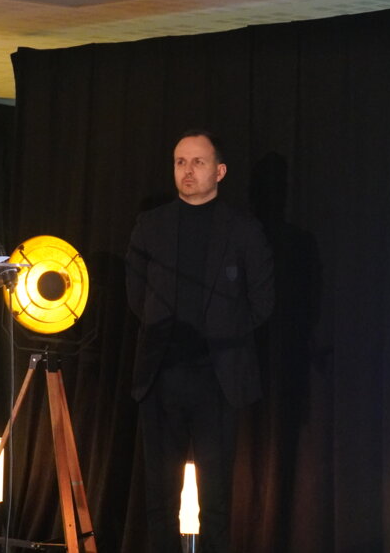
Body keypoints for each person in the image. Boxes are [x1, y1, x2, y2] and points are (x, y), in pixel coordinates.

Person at [126, 130, 274, 553]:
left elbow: (262, 302)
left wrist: (219, 335)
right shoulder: (150, 226)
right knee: (159, 499)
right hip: (160, 378)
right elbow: (136, 296)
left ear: (219, 171)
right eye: (180, 162)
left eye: (198, 162)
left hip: (218, 381)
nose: (187, 170)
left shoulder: (244, 230)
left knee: (216, 501)